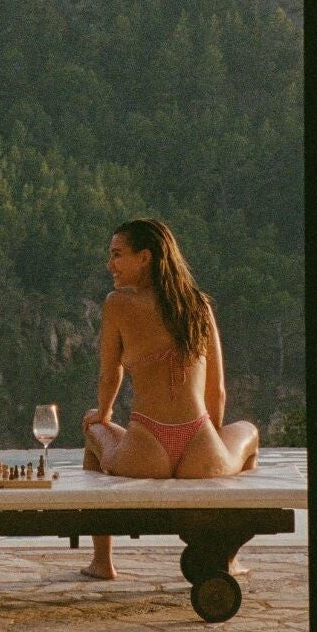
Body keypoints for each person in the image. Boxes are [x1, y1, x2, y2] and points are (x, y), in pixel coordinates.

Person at [80, 217, 258, 581]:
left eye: (117, 254)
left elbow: (110, 375)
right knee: (249, 432)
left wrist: (103, 413)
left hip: (145, 447)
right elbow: (217, 391)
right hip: (201, 446)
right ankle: (228, 556)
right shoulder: (198, 305)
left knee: (92, 428)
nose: (110, 264)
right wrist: (209, 442)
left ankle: (102, 562)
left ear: (145, 257)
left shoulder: (117, 304)